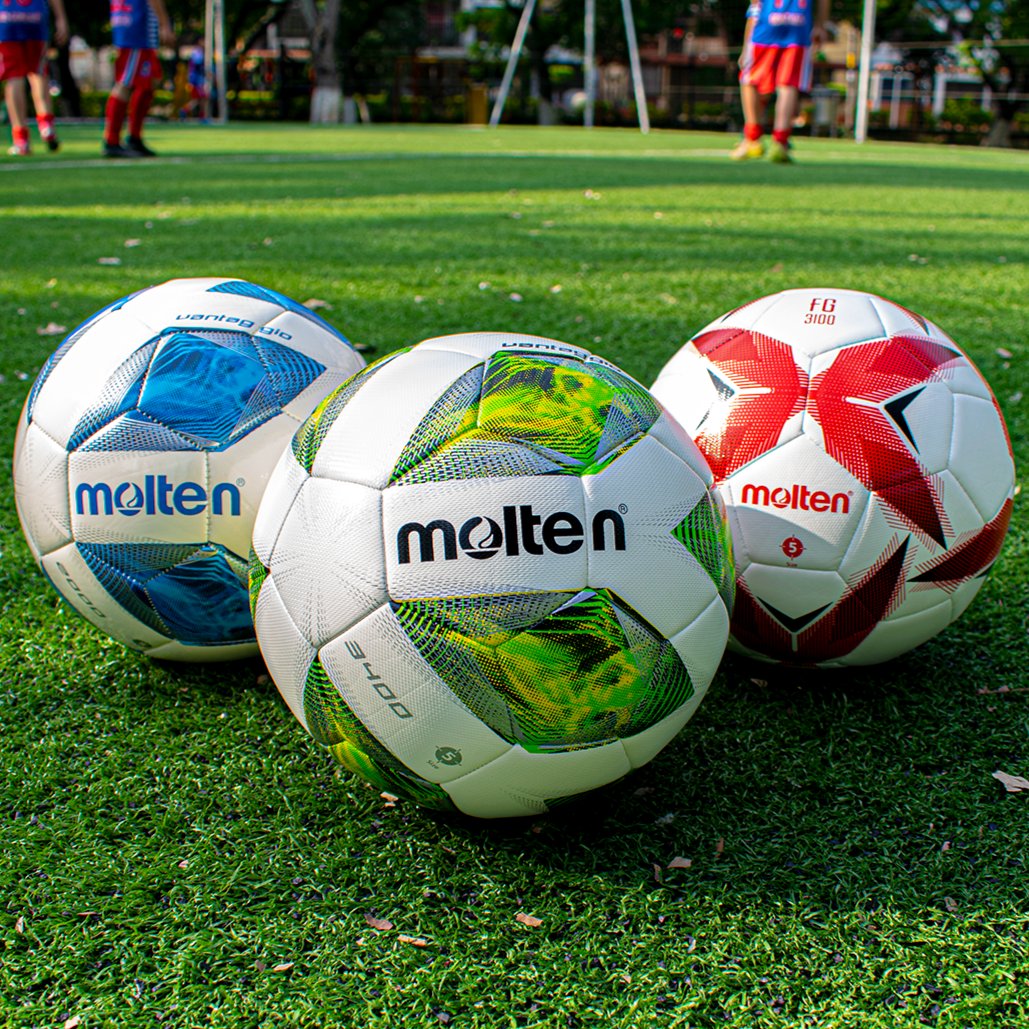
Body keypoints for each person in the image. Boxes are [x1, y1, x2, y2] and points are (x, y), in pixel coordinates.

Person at [731, 0, 829, 163]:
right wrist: (820, 24)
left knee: (749, 79)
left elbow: (756, 5)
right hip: (799, 24)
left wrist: (745, 44)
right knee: (788, 85)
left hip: (767, 22)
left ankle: (752, 139)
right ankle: (780, 142)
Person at [102, 0, 174, 158]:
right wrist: (165, 24)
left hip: (132, 25)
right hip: (136, 28)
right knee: (125, 83)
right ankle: (111, 140)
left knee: (151, 80)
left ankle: (134, 137)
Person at [0, 0, 68, 155]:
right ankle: (46, 125)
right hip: (35, 17)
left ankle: (21, 139)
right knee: (38, 73)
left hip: (7, 18)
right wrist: (61, 18)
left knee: (14, 77)